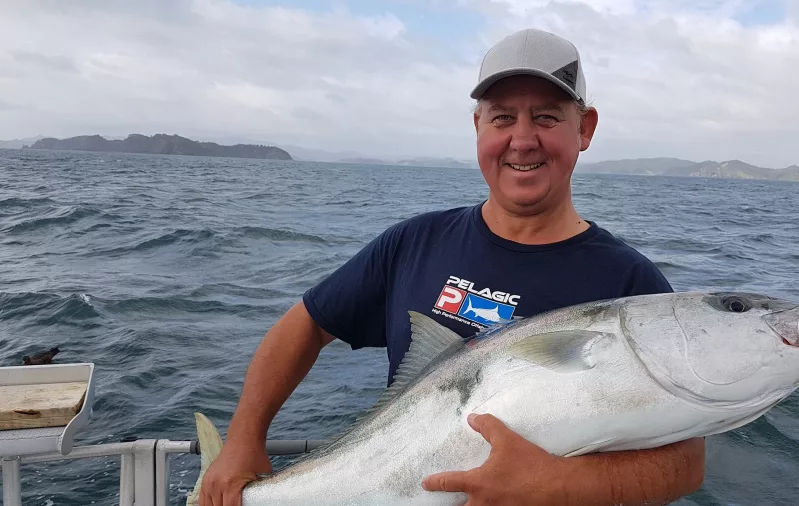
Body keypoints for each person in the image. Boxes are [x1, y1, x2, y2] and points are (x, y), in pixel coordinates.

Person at [199, 28, 705, 506]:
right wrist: (243, 440)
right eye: (502, 117)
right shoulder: (414, 242)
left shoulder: (630, 287)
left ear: (585, 128)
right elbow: (305, 325)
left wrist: (559, 484)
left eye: (546, 117)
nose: (522, 140)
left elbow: (685, 465)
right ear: (478, 127)